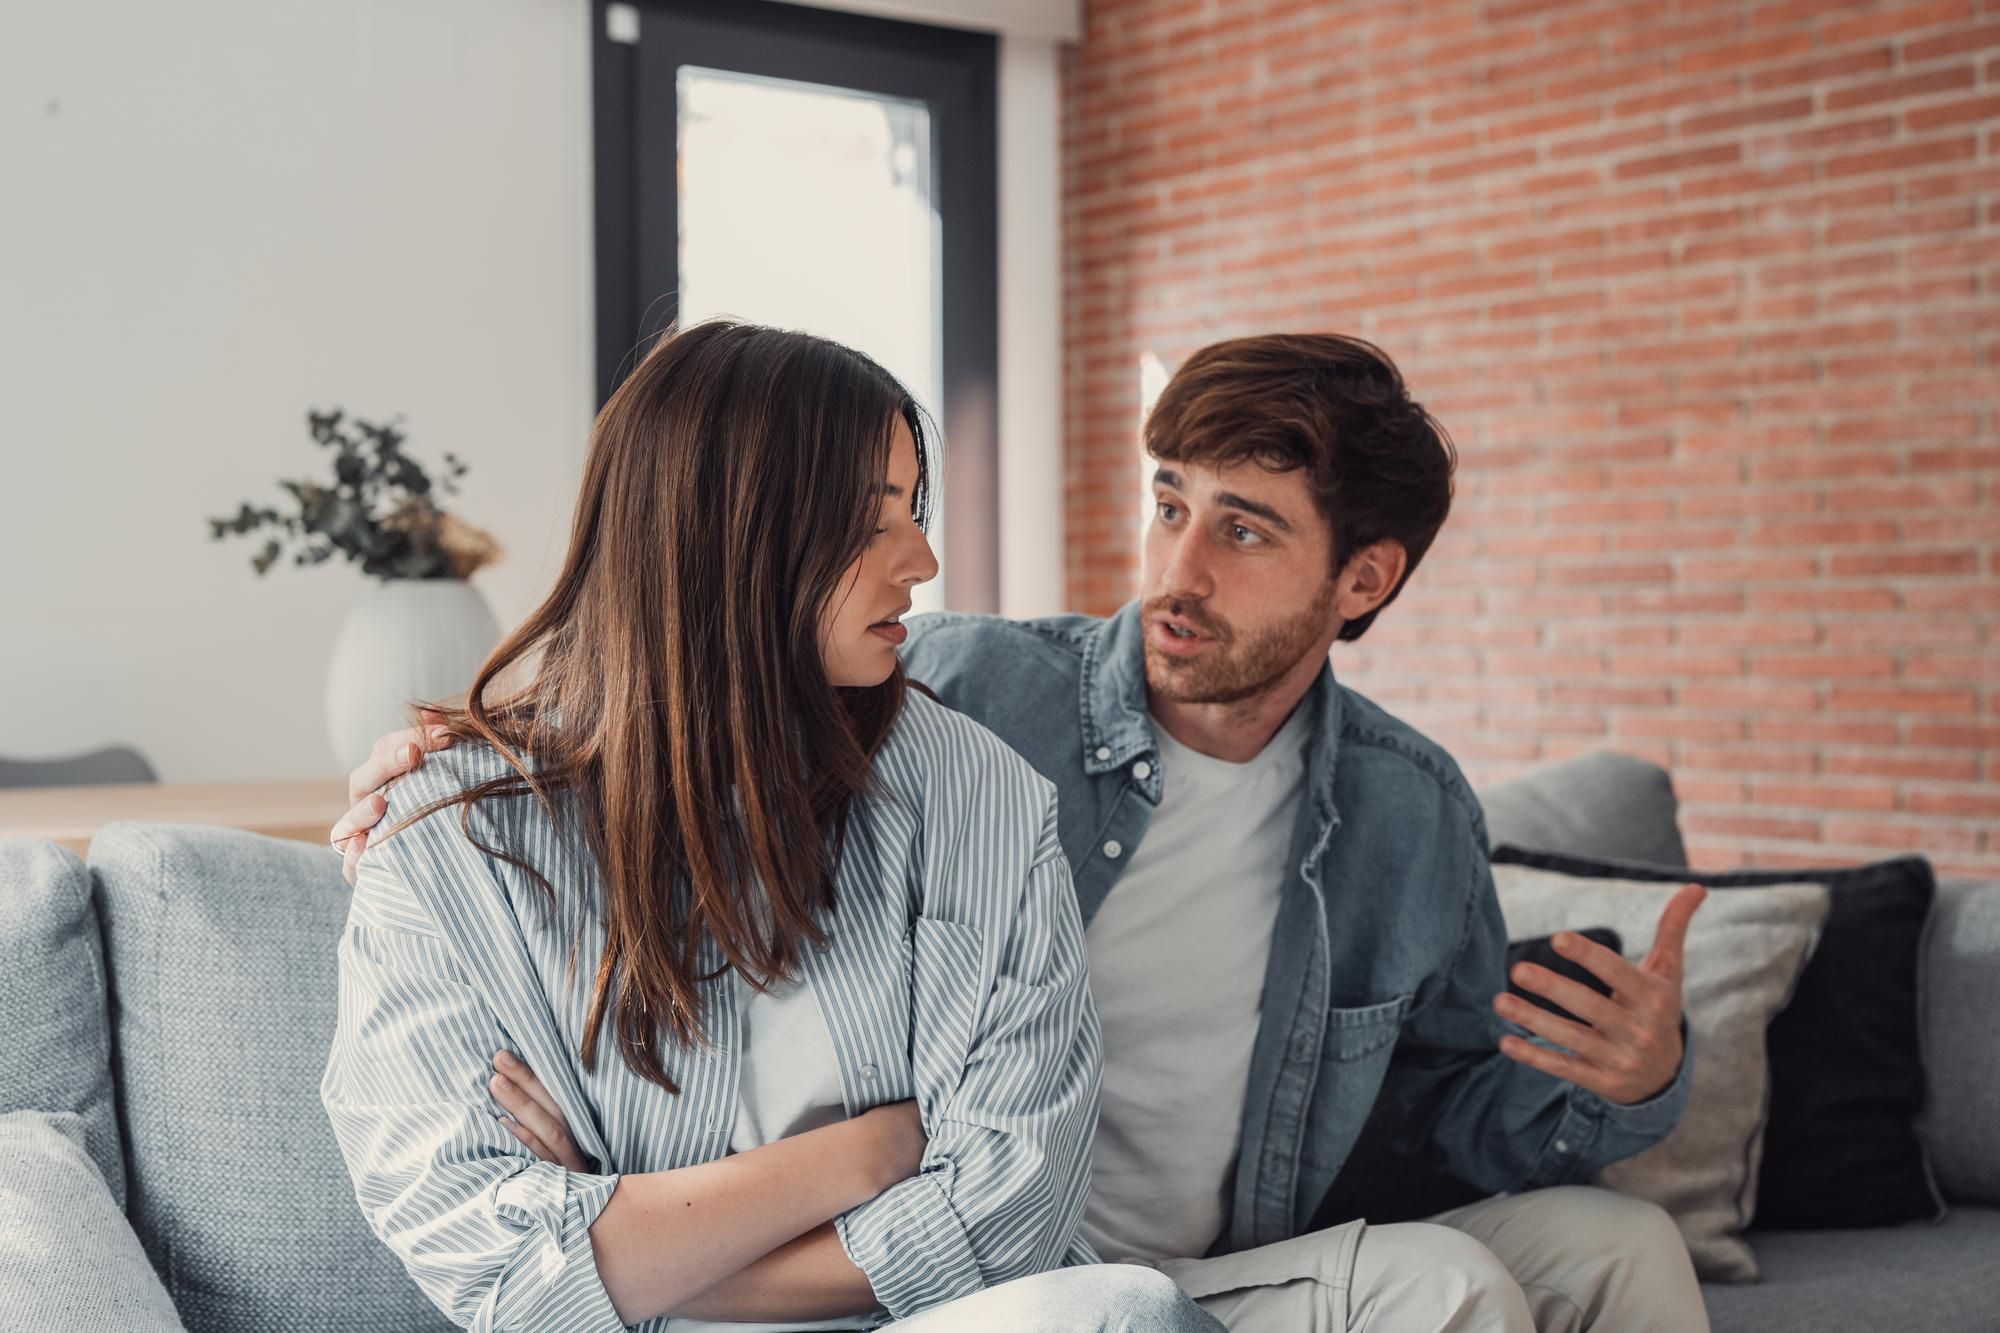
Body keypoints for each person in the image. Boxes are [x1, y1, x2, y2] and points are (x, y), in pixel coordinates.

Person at [337, 331, 1710, 1331]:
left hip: (1167, 1254)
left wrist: (1628, 1082)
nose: (1176, 568)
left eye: (1242, 532)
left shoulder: (1403, 812)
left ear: (1363, 579)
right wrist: (467, 752)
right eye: (1169, 504)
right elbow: (702, 654)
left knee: (1626, 1246)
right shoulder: (966, 689)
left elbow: (1436, 1106)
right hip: (1019, 1273)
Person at [320, 320, 1223, 1333]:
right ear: (724, 532)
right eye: (870, 519)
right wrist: (863, 1154)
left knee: (1124, 1315)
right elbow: (482, 1258)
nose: (921, 561)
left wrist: (622, 1235)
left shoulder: (981, 794)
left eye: (912, 511)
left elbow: (1005, 1217)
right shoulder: (455, 840)